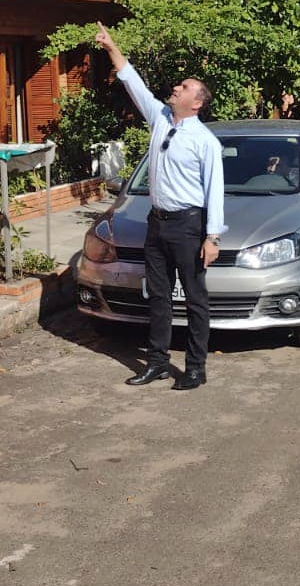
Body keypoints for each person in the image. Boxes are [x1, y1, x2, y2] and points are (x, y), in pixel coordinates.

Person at [93, 22, 225, 391]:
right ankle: (158, 362)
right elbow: (131, 81)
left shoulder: (205, 142)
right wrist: (110, 45)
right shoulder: (160, 119)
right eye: (178, 85)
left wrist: (211, 237)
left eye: (184, 87)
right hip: (158, 223)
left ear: (196, 102)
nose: (176, 88)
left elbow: (215, 190)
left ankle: (195, 368)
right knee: (158, 295)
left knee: (196, 299)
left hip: (188, 225)